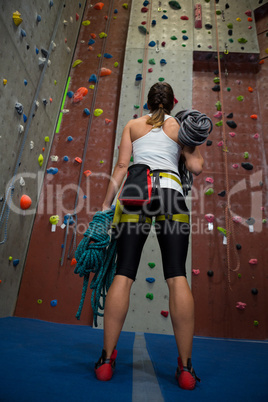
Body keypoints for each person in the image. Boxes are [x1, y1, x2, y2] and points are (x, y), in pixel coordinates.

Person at [94, 82, 204, 390]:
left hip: (134, 195)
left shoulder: (132, 125)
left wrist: (105, 205)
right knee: (177, 276)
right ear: (172, 103)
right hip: (171, 197)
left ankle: (105, 361)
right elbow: (194, 167)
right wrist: (193, 142)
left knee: (124, 274)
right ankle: (185, 368)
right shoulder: (179, 127)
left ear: (147, 102)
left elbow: (120, 167)